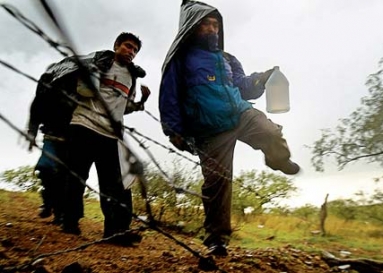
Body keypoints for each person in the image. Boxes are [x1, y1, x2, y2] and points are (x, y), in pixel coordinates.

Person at [159, 1, 300, 256]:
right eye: (206, 24)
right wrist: (173, 130)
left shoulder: (227, 59)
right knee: (217, 183)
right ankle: (217, 238)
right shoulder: (180, 59)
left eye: (215, 25)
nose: (212, 29)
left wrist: (261, 78)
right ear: (192, 27)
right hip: (208, 127)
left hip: (240, 113)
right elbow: (169, 95)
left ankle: (278, 159)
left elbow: (243, 86)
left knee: (270, 131)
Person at [42, 32, 150, 246]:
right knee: (76, 177)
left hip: (110, 134)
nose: (131, 52)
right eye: (127, 47)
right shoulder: (98, 63)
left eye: (135, 50)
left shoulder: (131, 76)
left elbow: (124, 107)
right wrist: (95, 77)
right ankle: (69, 221)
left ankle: (116, 231)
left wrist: (141, 101)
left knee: (114, 184)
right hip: (84, 125)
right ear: (116, 45)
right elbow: (83, 90)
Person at [27, 69, 75, 225]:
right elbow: (35, 114)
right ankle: (48, 203)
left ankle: (59, 213)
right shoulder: (45, 93)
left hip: (71, 140)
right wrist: (31, 134)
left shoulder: (76, 93)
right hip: (51, 137)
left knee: (64, 177)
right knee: (45, 169)